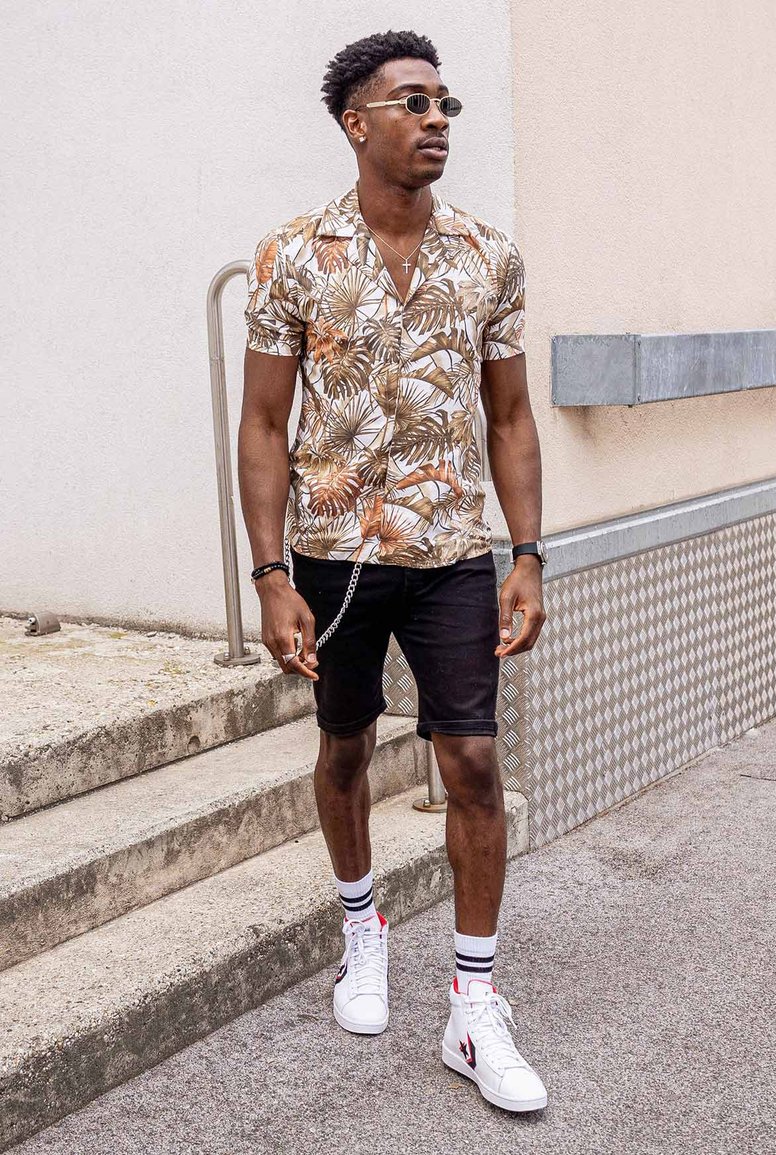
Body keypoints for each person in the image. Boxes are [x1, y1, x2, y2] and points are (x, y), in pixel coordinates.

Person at [238, 29, 548, 1114]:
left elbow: (507, 417)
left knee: (469, 762)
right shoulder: (291, 258)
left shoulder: (487, 255)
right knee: (344, 749)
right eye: (409, 102)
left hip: (454, 552)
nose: (434, 120)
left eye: (444, 103)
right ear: (353, 123)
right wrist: (271, 575)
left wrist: (526, 556)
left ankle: (473, 1007)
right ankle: (359, 927)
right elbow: (265, 425)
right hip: (333, 558)